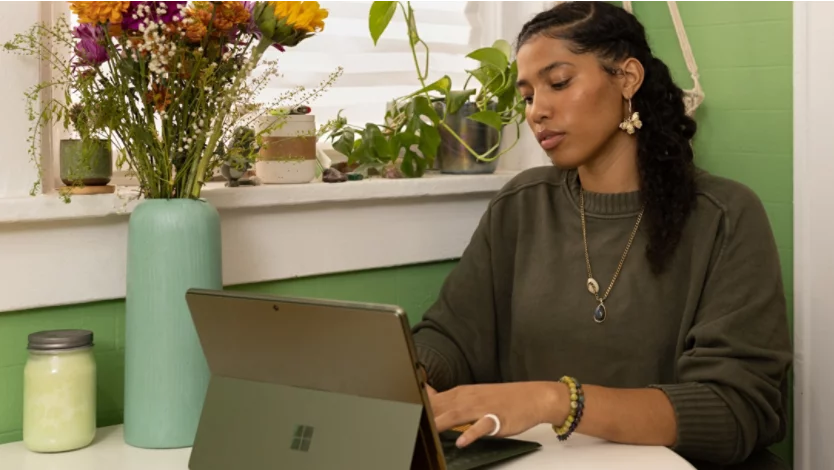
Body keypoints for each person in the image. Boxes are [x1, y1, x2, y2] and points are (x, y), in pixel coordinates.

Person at [410, 2, 792, 469]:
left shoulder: (724, 216)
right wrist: (411, 375)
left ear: (627, 78)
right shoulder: (522, 204)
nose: (538, 112)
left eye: (559, 82)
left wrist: (557, 402)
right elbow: (452, 333)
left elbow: (733, 410)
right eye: (528, 96)